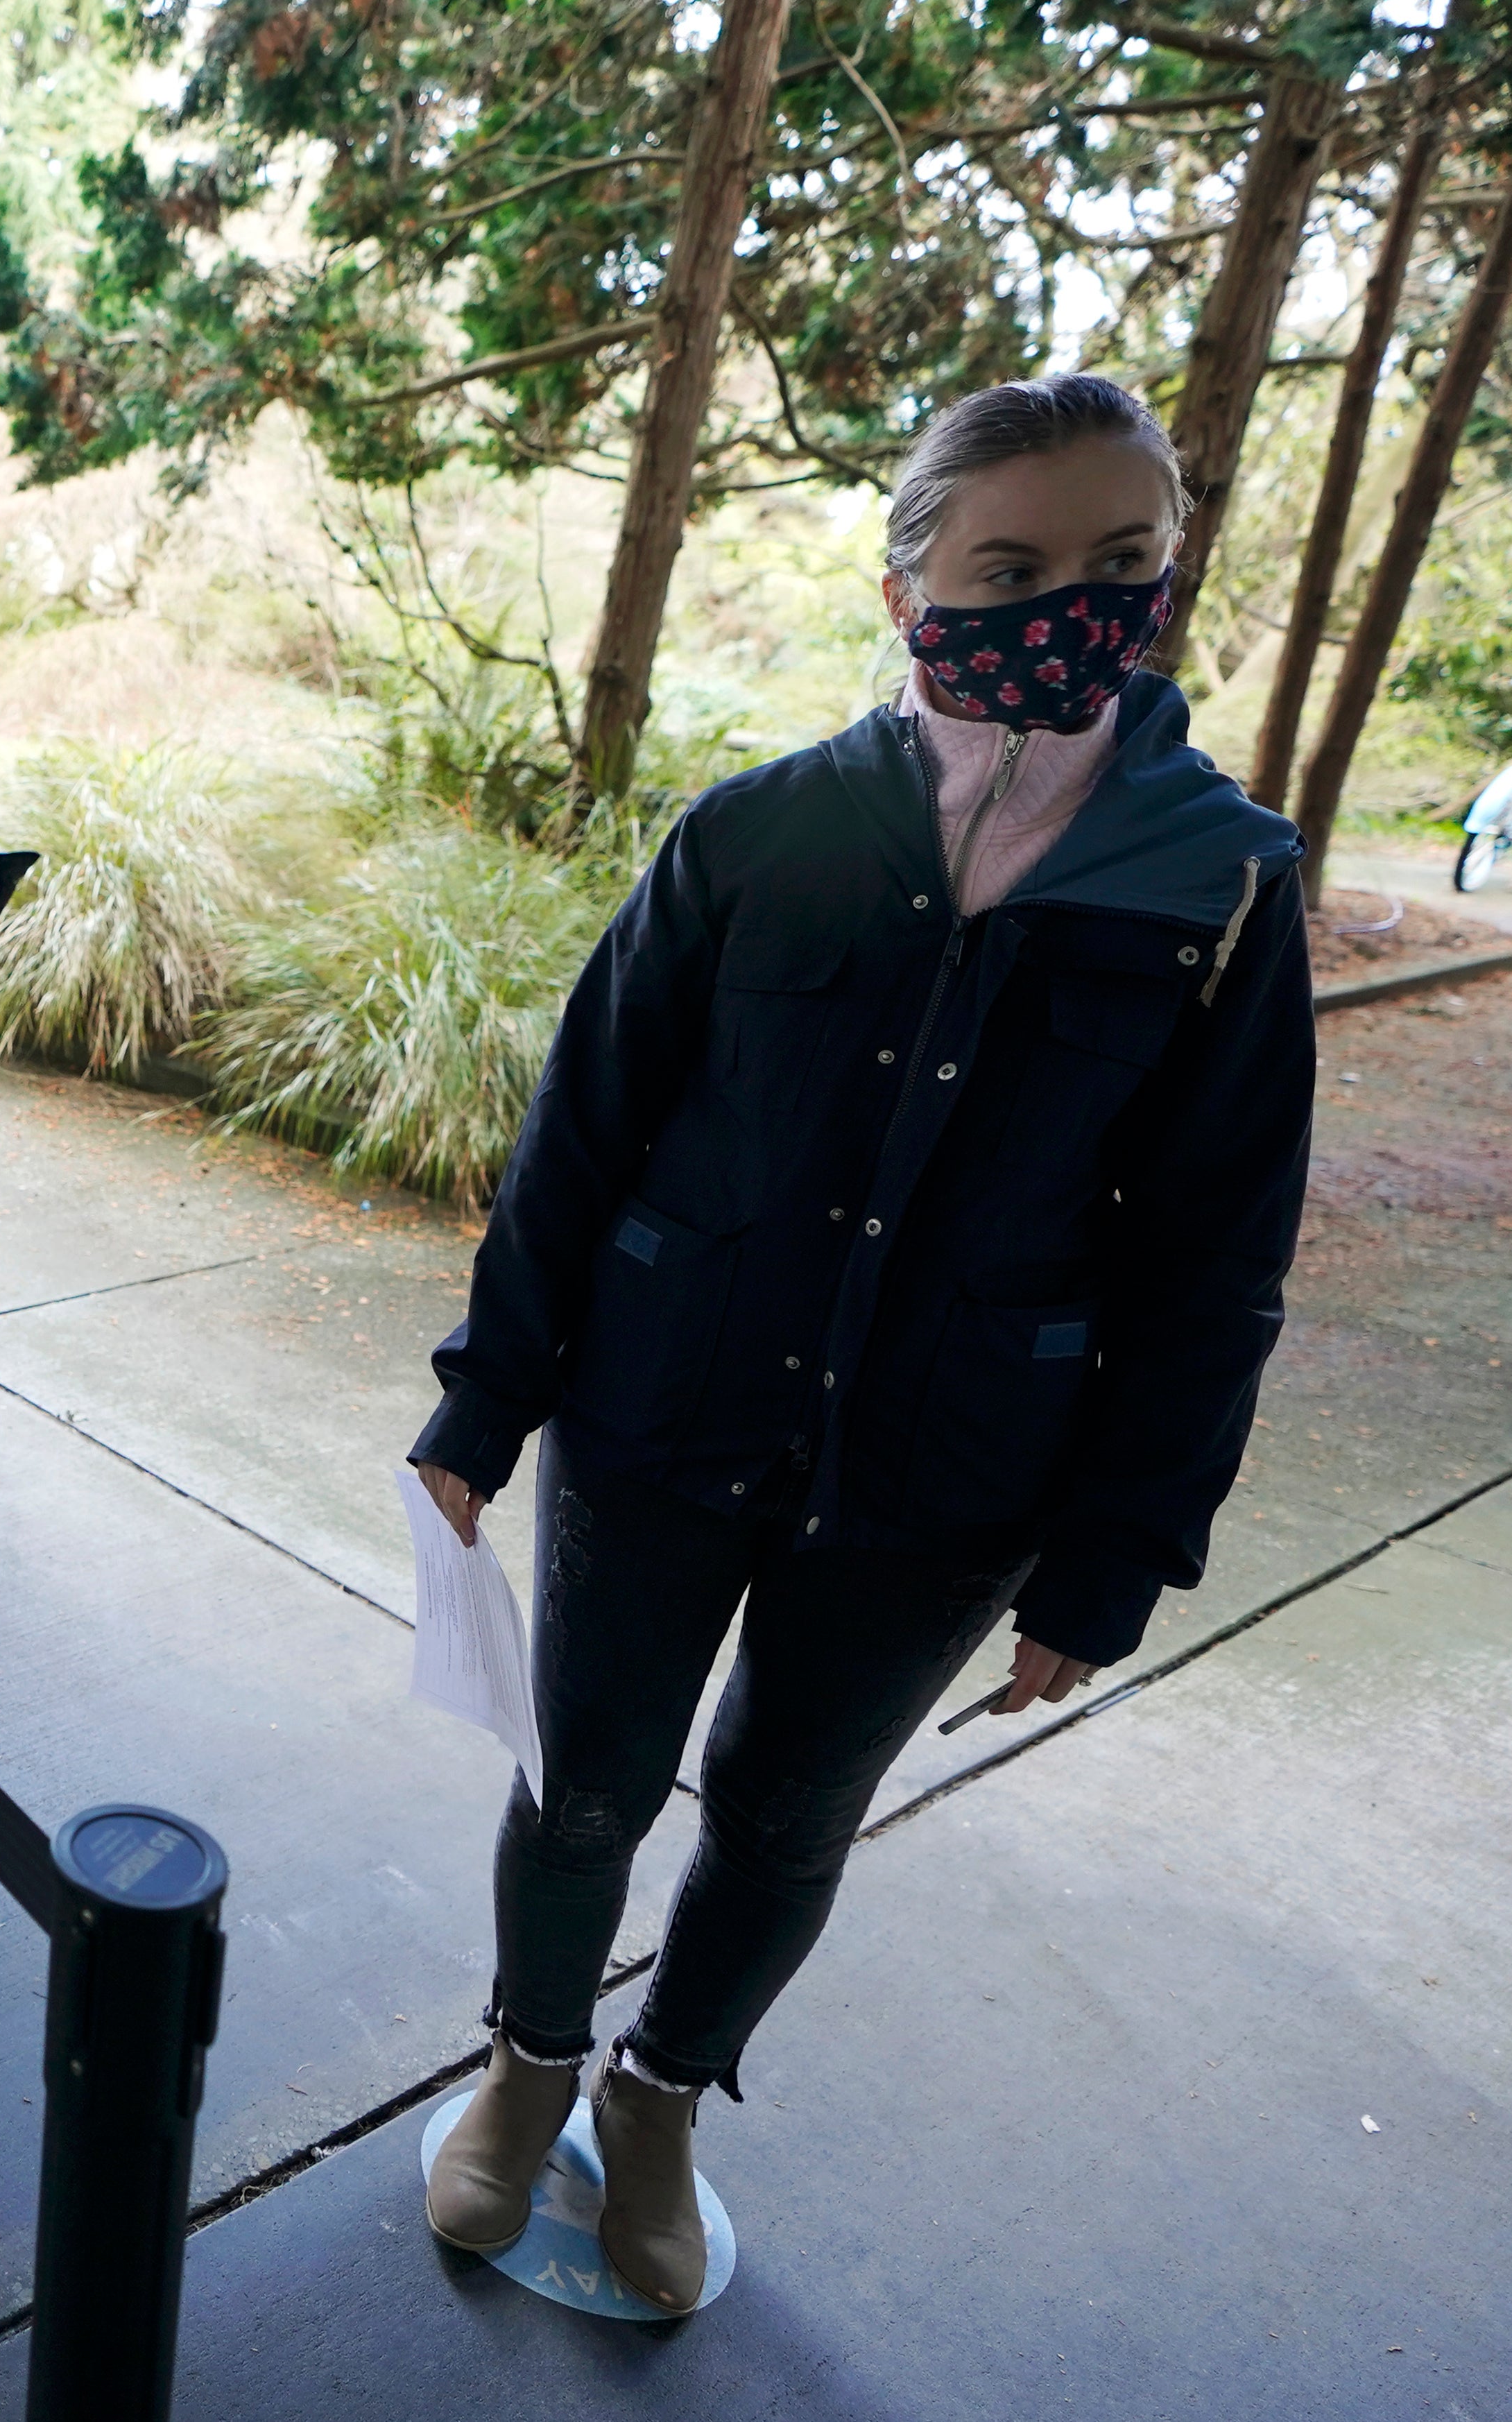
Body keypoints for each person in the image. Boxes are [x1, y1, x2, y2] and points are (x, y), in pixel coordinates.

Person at [404, 373, 1313, 2314]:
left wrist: (1112, 1547)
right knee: (586, 1782)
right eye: (1012, 563)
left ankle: (654, 2107)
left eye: (1120, 563)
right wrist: (490, 1391)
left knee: (786, 1811)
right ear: (910, 586)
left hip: (949, 1473)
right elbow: (585, 1127)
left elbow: (1218, 1250)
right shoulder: (755, 836)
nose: (1072, 600)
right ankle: (526, 2069)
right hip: (663, 1413)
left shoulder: (1216, 885)